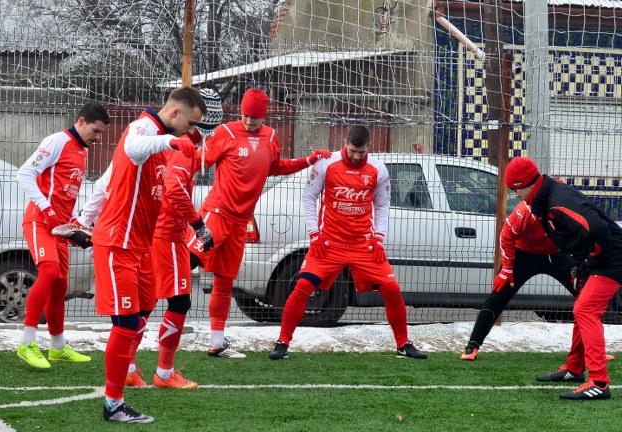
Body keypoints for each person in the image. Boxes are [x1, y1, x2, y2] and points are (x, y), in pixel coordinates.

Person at [188, 87, 331, 359]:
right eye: (245, 115)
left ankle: (217, 342)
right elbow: (196, 161)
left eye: (254, 117)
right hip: (217, 212)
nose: (249, 121)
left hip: (241, 221)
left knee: (224, 282)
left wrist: (308, 160)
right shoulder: (226, 133)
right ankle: (149, 313)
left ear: (264, 116)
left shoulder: (270, 137)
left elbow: (275, 167)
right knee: (188, 258)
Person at [91, 87, 206, 423]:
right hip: (118, 243)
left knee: (140, 314)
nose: (189, 132)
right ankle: (113, 403)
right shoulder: (144, 130)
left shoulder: (162, 145)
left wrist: (84, 218)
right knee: (126, 323)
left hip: (140, 246)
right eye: (189, 124)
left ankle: (129, 373)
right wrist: (170, 142)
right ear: (174, 114)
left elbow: (107, 181)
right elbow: (132, 146)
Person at [269, 125, 426, 361]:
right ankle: (282, 342)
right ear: (345, 143)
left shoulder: (378, 169)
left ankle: (403, 344)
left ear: (367, 148)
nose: (355, 156)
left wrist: (379, 238)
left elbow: (382, 205)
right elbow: (309, 197)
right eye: (352, 150)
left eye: (360, 152)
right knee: (302, 287)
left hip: (363, 245)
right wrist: (314, 234)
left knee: (392, 290)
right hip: (329, 244)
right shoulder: (326, 163)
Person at [504, 157, 622, 400]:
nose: (515, 195)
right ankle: (575, 369)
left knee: (585, 310)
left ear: (525, 184)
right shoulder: (546, 197)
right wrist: (583, 263)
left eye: (515, 189)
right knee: (582, 307)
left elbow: (596, 228)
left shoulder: (556, 202)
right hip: (603, 254)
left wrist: (592, 258)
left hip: (613, 255)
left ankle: (599, 382)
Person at [15, 102, 110, 369]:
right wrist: (46, 209)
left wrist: (76, 225)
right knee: (48, 273)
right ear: (81, 122)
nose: (98, 137)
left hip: (60, 227)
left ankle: (57, 347)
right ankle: (27, 343)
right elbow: (24, 174)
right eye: (96, 130)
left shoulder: (82, 150)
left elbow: (64, 192)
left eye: (102, 133)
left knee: (59, 285)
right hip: (39, 220)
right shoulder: (57, 141)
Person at [148, 88, 223, 389]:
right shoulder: (186, 146)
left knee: (146, 302)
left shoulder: (172, 142)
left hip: (162, 231)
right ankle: (164, 373)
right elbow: (174, 188)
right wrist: (198, 224)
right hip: (168, 234)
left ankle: (130, 367)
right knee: (179, 302)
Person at [460, 199, 577, 360]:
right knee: (498, 296)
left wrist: (580, 261)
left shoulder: (568, 209)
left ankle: (592, 348)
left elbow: (581, 237)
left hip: (556, 254)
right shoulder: (525, 210)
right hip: (524, 254)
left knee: (586, 295)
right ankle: (472, 345)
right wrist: (507, 269)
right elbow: (506, 236)